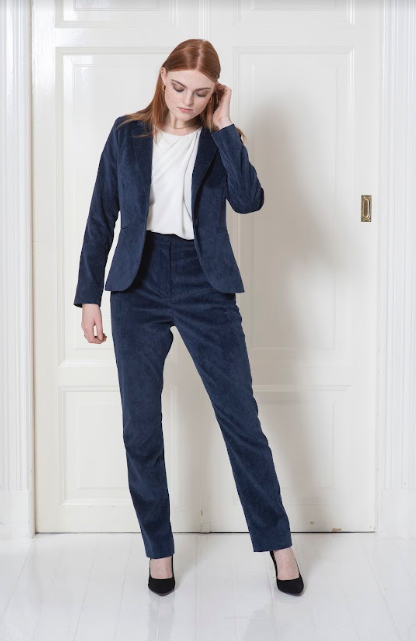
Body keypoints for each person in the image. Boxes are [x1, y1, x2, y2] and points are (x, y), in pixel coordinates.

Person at [74, 38, 304, 597]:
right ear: (163, 76)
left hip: (206, 282)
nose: (187, 100)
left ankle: (279, 546)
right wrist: (89, 297)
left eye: (201, 93)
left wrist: (224, 127)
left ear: (215, 93)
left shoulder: (223, 140)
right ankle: (159, 551)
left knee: (241, 420)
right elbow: (101, 215)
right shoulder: (126, 133)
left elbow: (249, 201)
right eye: (179, 87)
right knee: (140, 427)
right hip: (137, 282)